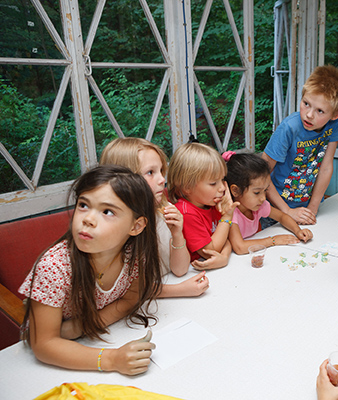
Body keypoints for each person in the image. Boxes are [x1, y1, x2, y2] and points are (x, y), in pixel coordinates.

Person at [18, 165, 162, 375]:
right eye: (83, 205)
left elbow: (131, 299)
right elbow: (44, 345)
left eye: (107, 211)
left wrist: (79, 327)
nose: (87, 219)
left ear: (136, 227)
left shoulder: (134, 255)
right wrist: (112, 359)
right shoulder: (54, 267)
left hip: (91, 338)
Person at [100, 138, 209, 297]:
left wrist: (177, 234)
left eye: (161, 171)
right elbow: (127, 289)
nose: (162, 180)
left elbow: (180, 270)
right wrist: (179, 290)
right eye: (150, 172)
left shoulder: (164, 210)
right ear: (123, 180)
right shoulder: (114, 228)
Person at [262, 64, 338, 225]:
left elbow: (326, 166)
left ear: (335, 114)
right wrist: (287, 211)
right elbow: (260, 174)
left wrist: (313, 208)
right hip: (275, 209)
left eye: (320, 111)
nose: (309, 115)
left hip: (307, 207)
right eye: (306, 103)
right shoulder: (289, 128)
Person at [223, 151, 313, 254]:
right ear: (235, 190)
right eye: (257, 192)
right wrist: (273, 240)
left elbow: (282, 217)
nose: (263, 198)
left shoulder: (259, 205)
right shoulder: (230, 213)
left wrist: (298, 231)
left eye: (265, 190)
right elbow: (240, 248)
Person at [167, 142, 238, 269]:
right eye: (213, 183)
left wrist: (225, 257)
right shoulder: (186, 213)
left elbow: (225, 239)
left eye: (222, 180)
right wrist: (226, 217)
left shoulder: (210, 203)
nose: (222, 187)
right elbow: (210, 251)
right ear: (187, 186)